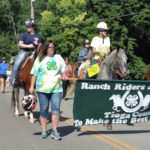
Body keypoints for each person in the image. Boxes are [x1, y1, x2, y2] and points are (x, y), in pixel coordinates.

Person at [29, 40, 68, 140]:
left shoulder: (58, 58)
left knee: (56, 109)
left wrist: (64, 76)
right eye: (50, 47)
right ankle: (43, 130)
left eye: (53, 47)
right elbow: (34, 74)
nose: (52, 49)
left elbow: (63, 71)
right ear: (46, 48)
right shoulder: (40, 59)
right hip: (42, 89)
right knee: (44, 110)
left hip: (56, 88)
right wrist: (31, 86)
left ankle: (54, 131)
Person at [9, 18, 42, 86]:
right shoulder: (24, 35)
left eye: (28, 26)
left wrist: (37, 44)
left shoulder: (38, 36)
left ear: (33, 27)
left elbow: (41, 45)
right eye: (27, 26)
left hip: (35, 52)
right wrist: (28, 46)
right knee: (17, 62)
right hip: (24, 51)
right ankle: (13, 79)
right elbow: (20, 44)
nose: (27, 27)